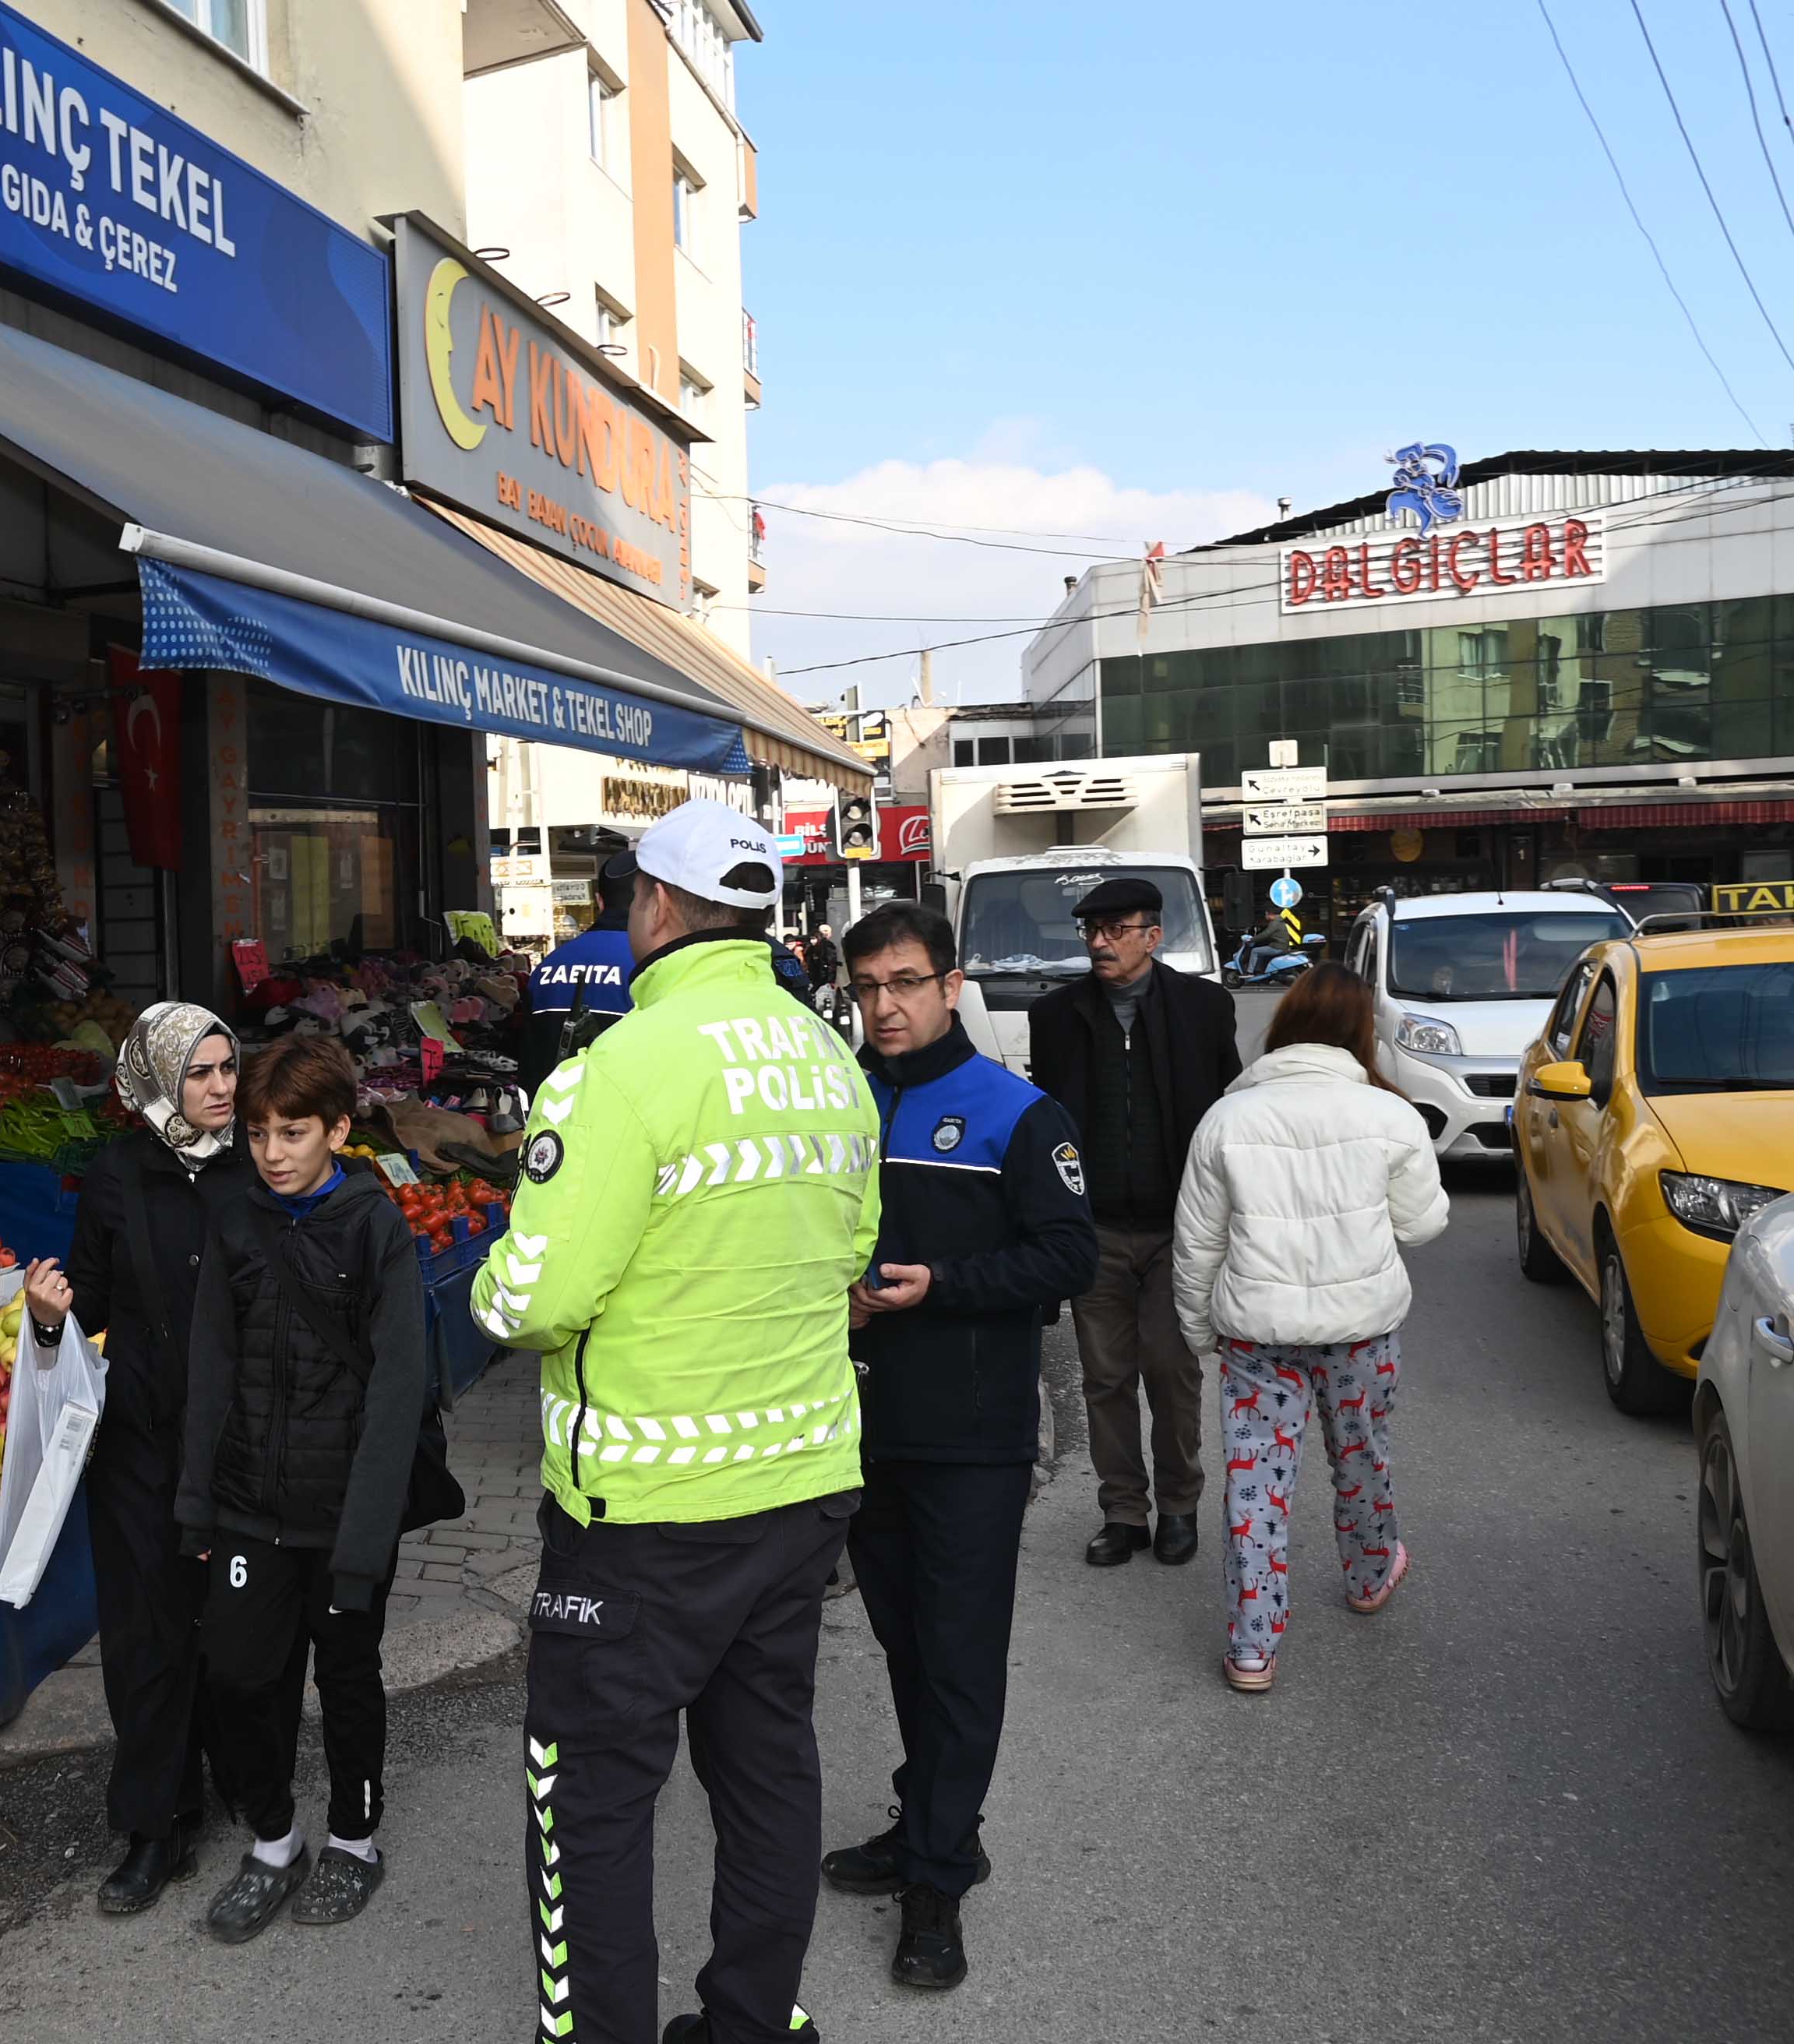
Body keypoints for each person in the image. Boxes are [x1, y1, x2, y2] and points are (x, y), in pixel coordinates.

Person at [468, 798, 882, 2044]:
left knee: (586, 1796)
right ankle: (752, 2023)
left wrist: (493, 1279)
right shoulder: (834, 1066)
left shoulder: (614, 1074)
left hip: (641, 1516)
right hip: (801, 1488)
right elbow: (854, 1257)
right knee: (766, 1773)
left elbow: (539, 1301)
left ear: (653, 906)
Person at [827, 902, 1096, 1992]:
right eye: (867, 987)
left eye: (904, 983)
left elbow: (1068, 1258)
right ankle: (929, 1819)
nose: (885, 1007)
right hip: (856, 1431)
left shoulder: (1018, 1114)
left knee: (960, 1657)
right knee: (906, 1645)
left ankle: (938, 1880)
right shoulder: (835, 1102)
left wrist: (942, 1290)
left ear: (951, 983)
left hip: (972, 1437)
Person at [176, 1034, 427, 1942]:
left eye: (293, 1132)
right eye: (258, 1133)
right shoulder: (237, 1218)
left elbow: (400, 1388)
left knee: (349, 1677)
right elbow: (211, 1362)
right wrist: (196, 1502)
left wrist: (364, 1543)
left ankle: (355, 1840)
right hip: (249, 1503)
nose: (273, 1152)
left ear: (338, 1129)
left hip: (344, 1513)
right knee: (240, 1674)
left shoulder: (374, 1225)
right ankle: (274, 1839)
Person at [20, 1005, 251, 1916]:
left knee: (235, 1623)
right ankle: (156, 1823)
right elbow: (91, 1303)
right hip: (142, 1438)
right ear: (158, 1078)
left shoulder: (255, 1164)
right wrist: (46, 1316)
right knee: (147, 1633)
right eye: (199, 1073)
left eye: (229, 1066)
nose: (223, 1087)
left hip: (237, 1438)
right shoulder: (118, 1172)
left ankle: (245, 1776)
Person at [1168, 964, 1448, 1692]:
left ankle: (1253, 1648)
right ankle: (1367, 1575)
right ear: (1363, 1034)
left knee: (1255, 1485)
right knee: (1361, 1458)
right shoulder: (1390, 1116)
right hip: (1361, 1331)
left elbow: (1197, 1244)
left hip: (1256, 1338)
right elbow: (1422, 1225)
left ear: (1284, 1028)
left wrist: (1201, 1333)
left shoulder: (1226, 1118)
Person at [1026, 876, 1242, 1570]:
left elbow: (1226, 1118)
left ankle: (1180, 1505)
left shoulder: (1204, 1008)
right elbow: (1050, 1122)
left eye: (1115, 930)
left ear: (1153, 935)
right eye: (1090, 931)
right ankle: (1124, 1512)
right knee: (1105, 1376)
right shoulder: (1058, 1015)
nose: (1098, 942)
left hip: (1179, 1227)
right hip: (1094, 1230)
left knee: (1172, 1372)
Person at [520, 851, 640, 1094]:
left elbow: (527, 1062)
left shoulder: (547, 967)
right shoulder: (651, 967)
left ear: (599, 901)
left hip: (550, 1123)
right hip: (628, 1122)